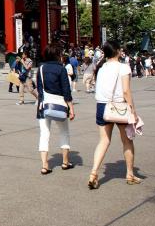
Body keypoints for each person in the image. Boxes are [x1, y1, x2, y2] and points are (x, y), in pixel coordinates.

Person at [87, 41, 140, 189]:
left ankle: (93, 173)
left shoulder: (101, 67)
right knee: (127, 140)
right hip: (119, 107)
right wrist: (133, 111)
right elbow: (126, 91)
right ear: (117, 51)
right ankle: (130, 174)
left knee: (103, 141)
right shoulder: (123, 67)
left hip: (102, 106)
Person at [36, 45, 75, 175]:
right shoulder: (61, 69)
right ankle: (65, 162)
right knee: (64, 132)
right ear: (57, 55)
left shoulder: (40, 69)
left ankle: (44, 165)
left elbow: (39, 88)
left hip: (43, 105)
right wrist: (71, 108)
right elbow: (66, 90)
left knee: (44, 134)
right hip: (60, 105)